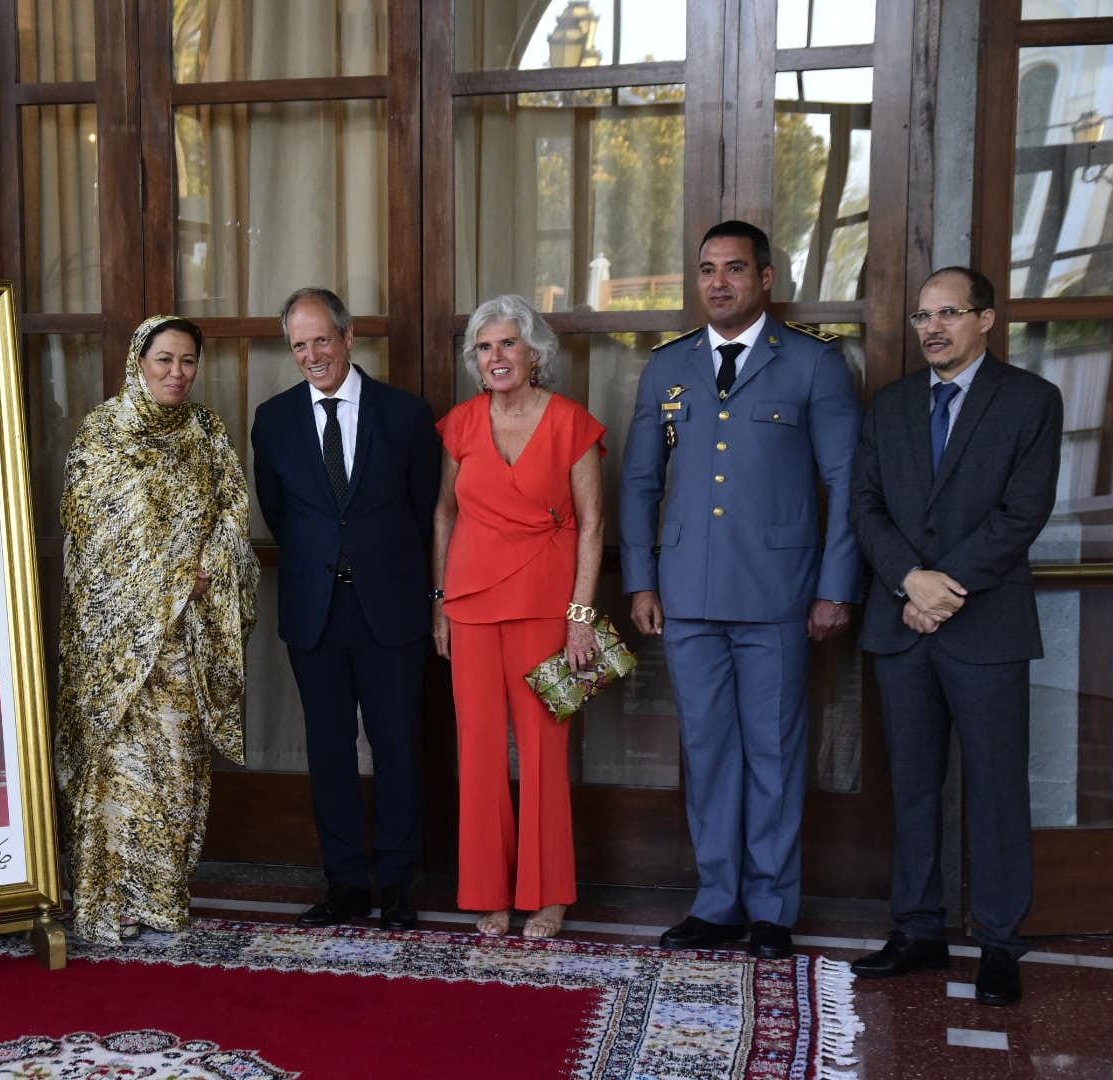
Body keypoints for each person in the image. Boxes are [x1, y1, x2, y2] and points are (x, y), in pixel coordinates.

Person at [618, 220, 862, 960]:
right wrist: (640, 582)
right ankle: (717, 901)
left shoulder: (814, 367)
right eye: (706, 270)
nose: (718, 282)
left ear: (765, 279)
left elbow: (846, 483)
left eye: (734, 269)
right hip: (687, 593)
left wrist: (834, 587)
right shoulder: (667, 369)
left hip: (779, 596)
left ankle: (771, 907)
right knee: (708, 750)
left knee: (775, 753)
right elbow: (639, 483)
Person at [848, 267, 1062, 1006]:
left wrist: (941, 590)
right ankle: (918, 930)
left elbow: (1022, 512)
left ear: (987, 321)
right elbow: (865, 505)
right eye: (922, 316)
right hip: (901, 626)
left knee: (996, 790)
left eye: (948, 313)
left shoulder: (1032, 401)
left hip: (986, 626)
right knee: (911, 787)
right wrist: (910, 580)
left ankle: (1001, 943)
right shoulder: (891, 405)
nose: (932, 327)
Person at [57, 315, 259, 945]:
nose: (177, 373)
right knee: (117, 772)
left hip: (186, 642)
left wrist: (208, 568)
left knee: (174, 768)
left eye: (188, 362)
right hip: (116, 646)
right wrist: (168, 581)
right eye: (164, 360)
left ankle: (161, 894)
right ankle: (106, 898)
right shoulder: (102, 433)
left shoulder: (206, 431)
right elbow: (92, 537)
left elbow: (233, 509)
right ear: (137, 362)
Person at [251, 287, 441, 931]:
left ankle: (397, 883)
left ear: (349, 336)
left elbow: (424, 515)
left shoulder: (406, 415)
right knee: (328, 752)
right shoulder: (272, 420)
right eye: (298, 345)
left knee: (396, 748)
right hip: (315, 611)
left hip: (391, 609)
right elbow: (280, 513)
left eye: (321, 340)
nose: (311, 355)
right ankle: (345, 885)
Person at [432, 295, 606, 940]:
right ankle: (488, 893)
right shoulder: (459, 424)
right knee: (477, 752)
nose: (496, 357)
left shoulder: (571, 423)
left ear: (535, 354)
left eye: (507, 344)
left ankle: (549, 893)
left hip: (546, 608)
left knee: (542, 753)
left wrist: (581, 616)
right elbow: (444, 515)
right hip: (470, 605)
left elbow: (593, 524)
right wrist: (440, 604)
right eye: (484, 347)